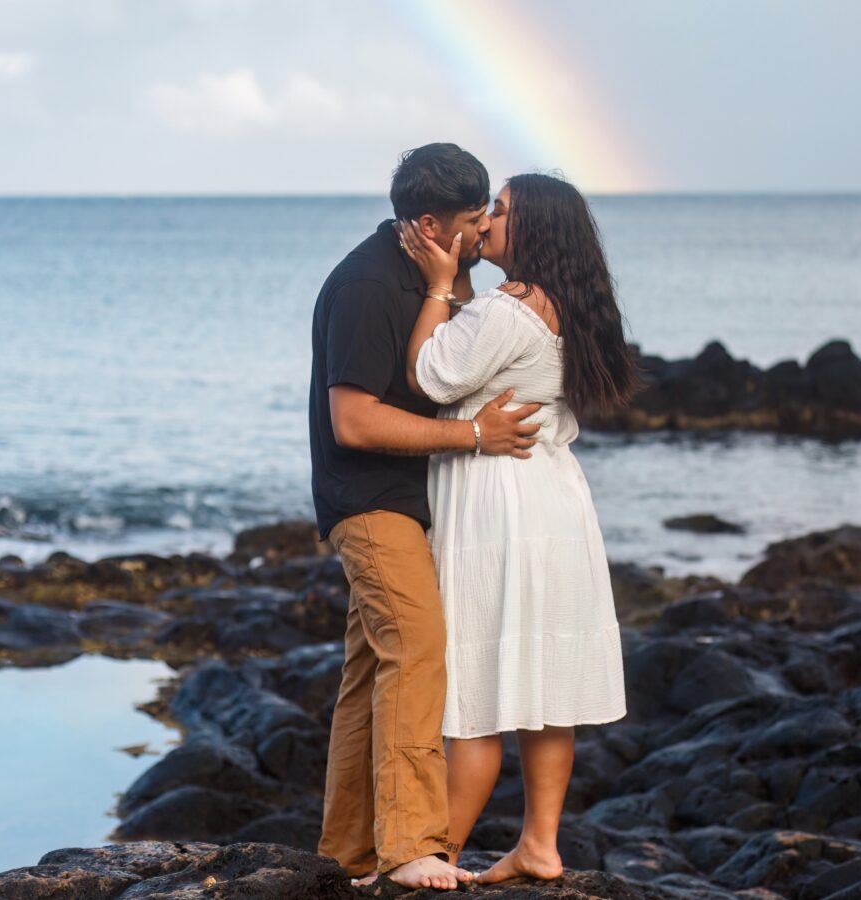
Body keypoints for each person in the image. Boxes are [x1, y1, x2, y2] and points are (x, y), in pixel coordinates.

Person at [308, 143, 545, 891]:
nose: (484, 233)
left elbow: (453, 367)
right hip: (370, 502)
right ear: (431, 223)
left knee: (370, 671)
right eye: (474, 222)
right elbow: (353, 421)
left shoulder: (443, 277)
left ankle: (346, 855)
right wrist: (475, 437)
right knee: (417, 648)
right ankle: (412, 845)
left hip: (416, 503)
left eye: (488, 218)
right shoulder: (367, 285)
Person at [395, 172, 639, 884]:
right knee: (541, 685)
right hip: (553, 501)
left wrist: (440, 284)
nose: (487, 222)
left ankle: (437, 858)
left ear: (533, 230)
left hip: (498, 504)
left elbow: (430, 375)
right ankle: (539, 844)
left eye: (500, 211)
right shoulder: (571, 305)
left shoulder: (511, 305)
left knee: (472, 690)